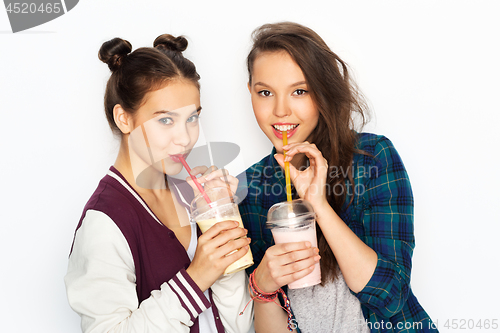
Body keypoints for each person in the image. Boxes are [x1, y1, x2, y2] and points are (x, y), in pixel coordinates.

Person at [238, 22, 438, 333]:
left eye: (299, 91)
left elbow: (390, 296)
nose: (280, 110)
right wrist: (261, 286)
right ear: (250, 92)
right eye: (265, 92)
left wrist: (319, 205)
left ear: (322, 92)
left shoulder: (372, 159)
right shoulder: (249, 188)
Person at [65, 34, 253, 333]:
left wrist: (222, 226)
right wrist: (197, 277)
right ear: (124, 119)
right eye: (166, 120)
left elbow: (238, 324)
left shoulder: (191, 192)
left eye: (192, 118)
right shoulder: (105, 222)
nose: (186, 137)